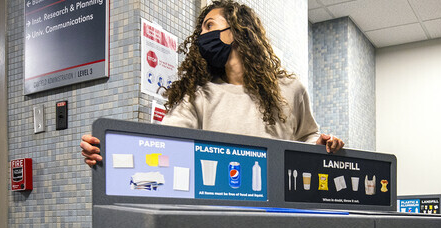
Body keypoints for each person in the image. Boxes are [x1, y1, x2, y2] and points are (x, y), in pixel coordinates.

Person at [80, 0, 342, 166]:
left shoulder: (290, 88)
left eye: (209, 26)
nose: (201, 37)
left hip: (276, 206)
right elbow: (164, 143)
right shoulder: (197, 95)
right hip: (218, 208)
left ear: (237, 31)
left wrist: (321, 146)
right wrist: (108, 150)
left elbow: (308, 136)